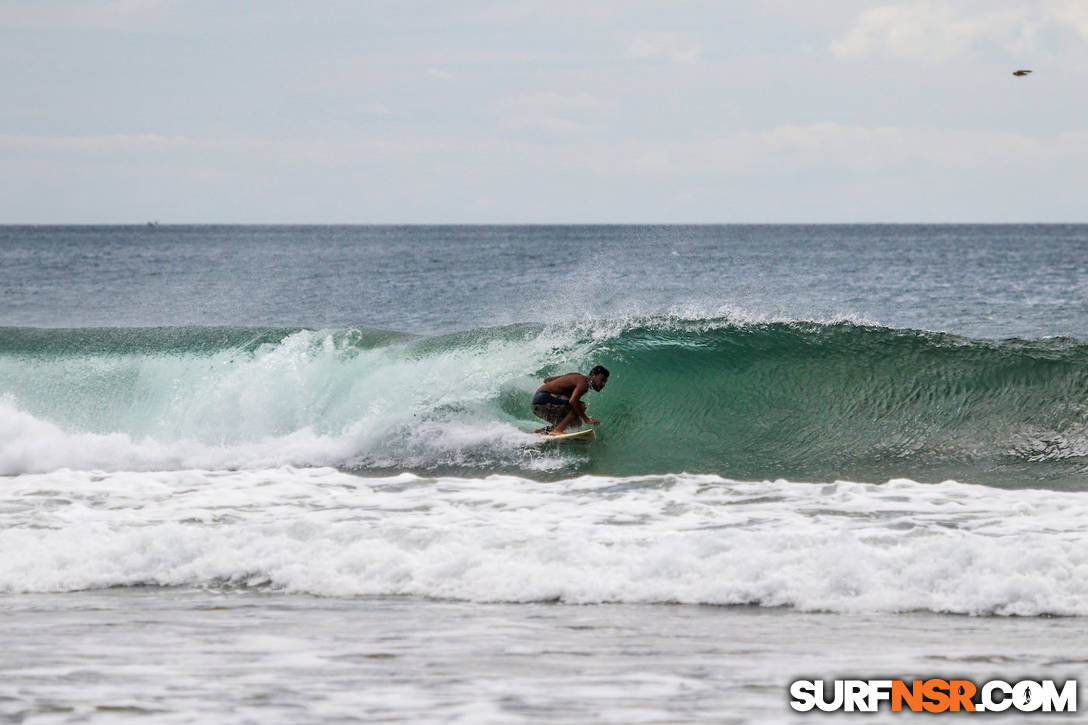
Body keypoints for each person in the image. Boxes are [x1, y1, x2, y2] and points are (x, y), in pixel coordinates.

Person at [532, 365, 609, 435]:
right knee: (581, 406)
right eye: (601, 380)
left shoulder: (576, 376)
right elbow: (572, 401)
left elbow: (547, 380)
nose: (603, 384)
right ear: (592, 375)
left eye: (605, 382)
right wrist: (586, 419)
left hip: (537, 402)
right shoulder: (584, 383)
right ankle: (557, 430)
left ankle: (543, 431)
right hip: (542, 400)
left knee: (576, 422)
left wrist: (560, 393)